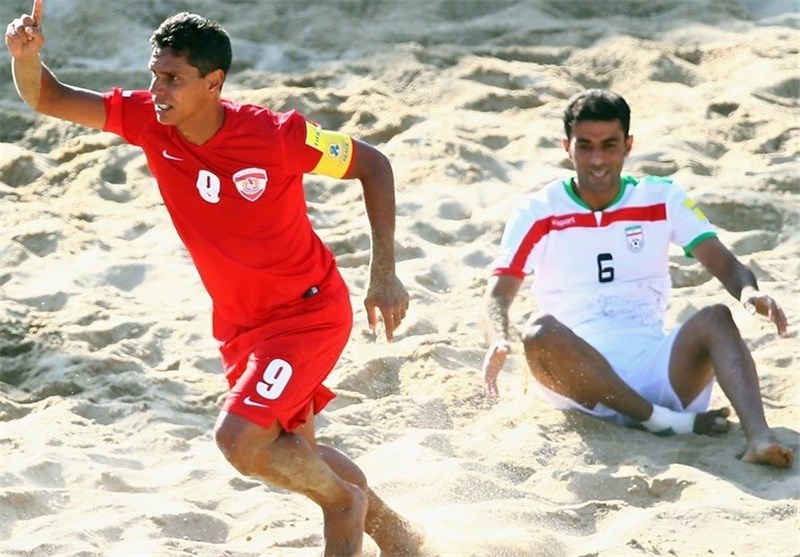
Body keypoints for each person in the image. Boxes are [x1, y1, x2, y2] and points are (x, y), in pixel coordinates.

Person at [6, 2, 426, 555]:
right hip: (240, 325)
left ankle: (348, 506)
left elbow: (373, 164)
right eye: (154, 75)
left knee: (239, 439)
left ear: (213, 82)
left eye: (173, 79)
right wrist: (25, 57)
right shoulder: (144, 120)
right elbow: (48, 96)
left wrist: (385, 273)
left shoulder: (277, 136)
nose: (157, 90)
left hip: (308, 313)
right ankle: (400, 536)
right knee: (292, 450)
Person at [481, 88, 793, 469]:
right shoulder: (539, 209)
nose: (597, 159)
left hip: (654, 364)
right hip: (578, 381)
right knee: (538, 331)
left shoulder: (660, 197)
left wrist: (747, 292)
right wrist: (497, 338)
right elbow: (498, 293)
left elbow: (726, 263)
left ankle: (759, 438)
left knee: (716, 318)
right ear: (567, 146)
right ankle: (661, 422)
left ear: (628, 145)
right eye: (585, 146)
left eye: (609, 145)